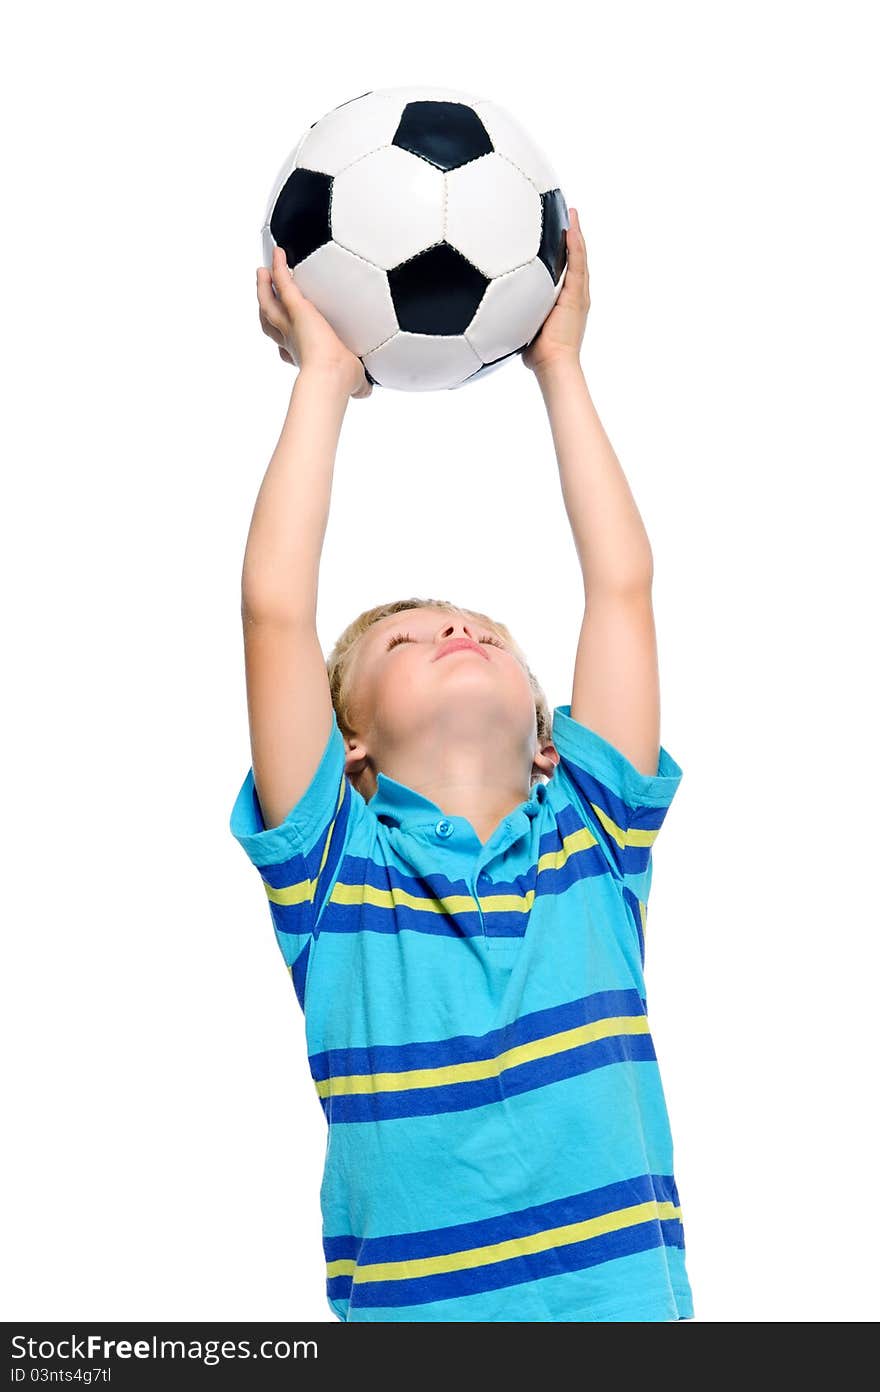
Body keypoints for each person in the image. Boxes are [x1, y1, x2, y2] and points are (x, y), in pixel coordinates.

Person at [229, 211, 694, 1322]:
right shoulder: (336, 874)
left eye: (483, 631)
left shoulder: (592, 830)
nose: (456, 635)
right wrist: (323, 380)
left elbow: (620, 586)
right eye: (405, 639)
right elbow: (274, 610)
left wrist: (562, 368)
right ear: (349, 747)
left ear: (548, 733)